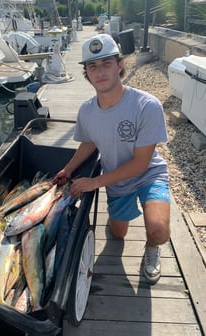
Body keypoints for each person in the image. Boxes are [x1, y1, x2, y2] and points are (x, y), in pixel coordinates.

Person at [53, 33, 170, 284]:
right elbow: (90, 141)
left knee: (158, 229)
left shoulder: (147, 106)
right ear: (86, 72)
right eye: (92, 66)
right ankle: (120, 219)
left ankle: (152, 249)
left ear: (119, 65)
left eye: (107, 63)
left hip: (149, 174)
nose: (100, 71)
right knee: (118, 235)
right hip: (116, 180)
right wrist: (68, 169)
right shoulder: (86, 110)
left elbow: (140, 163)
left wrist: (95, 182)